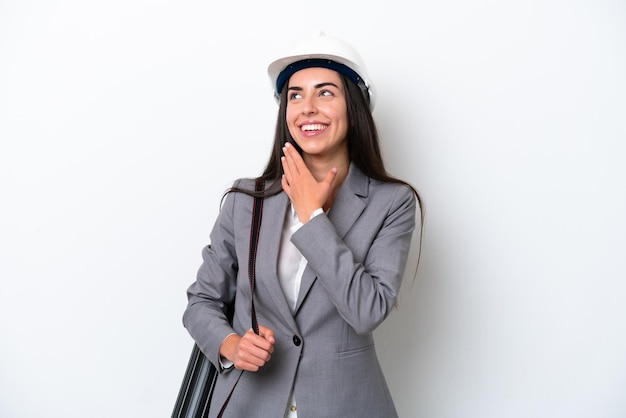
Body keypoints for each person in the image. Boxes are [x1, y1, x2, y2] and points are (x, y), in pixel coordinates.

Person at [183, 32, 423, 418]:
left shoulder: (391, 203)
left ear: (354, 105)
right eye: (295, 95)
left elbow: (367, 310)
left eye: (325, 93)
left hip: (345, 404)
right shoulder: (246, 202)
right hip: (250, 404)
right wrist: (230, 343)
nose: (307, 108)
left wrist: (313, 217)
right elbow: (202, 301)